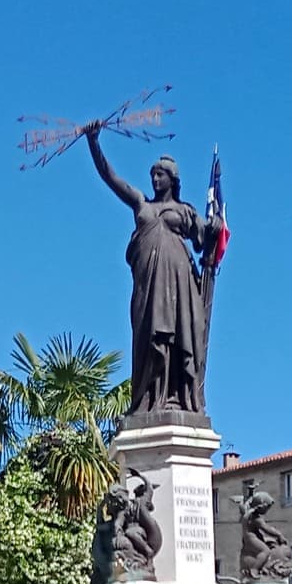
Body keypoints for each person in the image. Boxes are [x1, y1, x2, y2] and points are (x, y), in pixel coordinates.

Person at [84, 123, 223, 415]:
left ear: (172, 179)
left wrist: (215, 227)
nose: (154, 179)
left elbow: (206, 238)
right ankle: (149, 400)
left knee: (179, 334)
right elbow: (112, 178)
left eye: (160, 174)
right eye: (152, 175)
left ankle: (176, 397)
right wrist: (94, 143)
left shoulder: (185, 211)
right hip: (148, 287)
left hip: (179, 282)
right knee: (148, 337)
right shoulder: (141, 205)